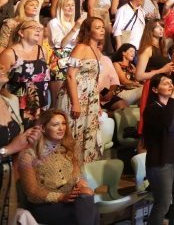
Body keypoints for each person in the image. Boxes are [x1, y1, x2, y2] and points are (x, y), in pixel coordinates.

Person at [17, 109, 100, 225]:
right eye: (56, 125)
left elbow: (78, 174)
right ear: (43, 128)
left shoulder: (71, 148)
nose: (61, 128)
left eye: (63, 123)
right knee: (89, 212)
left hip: (70, 201)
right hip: (45, 206)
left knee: (87, 199)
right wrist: (61, 197)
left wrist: (81, 183)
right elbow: (32, 192)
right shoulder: (28, 155)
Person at [142, 74, 174, 225]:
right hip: (161, 162)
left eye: (171, 83)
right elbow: (164, 122)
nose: (170, 85)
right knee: (162, 205)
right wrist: (173, 99)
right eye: (165, 83)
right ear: (155, 89)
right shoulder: (151, 110)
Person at [56, 17, 105, 165]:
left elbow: (95, 78)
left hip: (91, 98)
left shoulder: (97, 51)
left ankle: (84, 175)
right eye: (97, 27)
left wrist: (98, 104)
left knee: (88, 134)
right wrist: (75, 103)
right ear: (88, 31)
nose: (102, 30)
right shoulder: (81, 47)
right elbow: (70, 75)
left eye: (102, 27)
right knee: (73, 134)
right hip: (75, 95)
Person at [0, 57, 44, 223]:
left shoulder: (9, 101)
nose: (2, 67)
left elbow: (17, 142)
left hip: (9, 181)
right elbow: (10, 147)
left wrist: (28, 140)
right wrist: (9, 149)